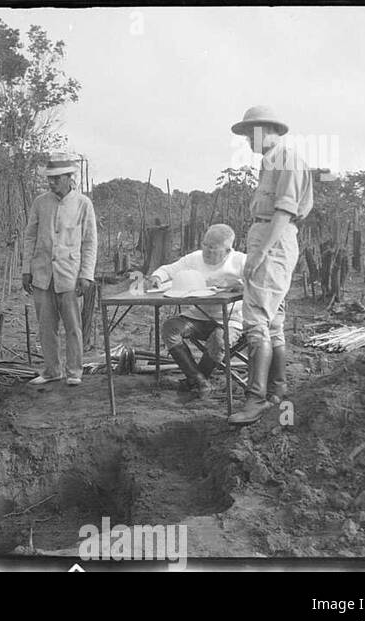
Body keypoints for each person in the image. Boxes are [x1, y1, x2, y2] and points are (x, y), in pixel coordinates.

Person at [228, 106, 314, 424]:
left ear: (269, 130)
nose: (249, 139)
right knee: (273, 321)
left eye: (252, 132)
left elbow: (283, 214)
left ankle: (255, 399)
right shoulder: (271, 161)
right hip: (268, 238)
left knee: (256, 322)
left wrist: (260, 253)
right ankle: (277, 390)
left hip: (273, 243)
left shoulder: (287, 160)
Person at [22, 154, 98, 387]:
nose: (52, 182)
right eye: (50, 178)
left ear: (69, 178)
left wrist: (86, 274)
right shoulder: (40, 202)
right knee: (46, 326)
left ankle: (74, 370)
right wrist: (27, 269)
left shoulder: (83, 203)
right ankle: (52, 370)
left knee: (73, 325)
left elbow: (89, 241)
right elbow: (30, 236)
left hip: (69, 273)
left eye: (57, 178)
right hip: (42, 273)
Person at [146, 224, 246, 399]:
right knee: (171, 328)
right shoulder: (194, 259)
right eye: (205, 244)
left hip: (230, 319)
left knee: (218, 339)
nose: (206, 250)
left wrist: (242, 286)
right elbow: (169, 269)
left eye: (212, 247)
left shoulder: (241, 261)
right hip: (197, 317)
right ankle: (200, 381)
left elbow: (262, 284)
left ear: (228, 249)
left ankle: (196, 379)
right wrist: (157, 277)